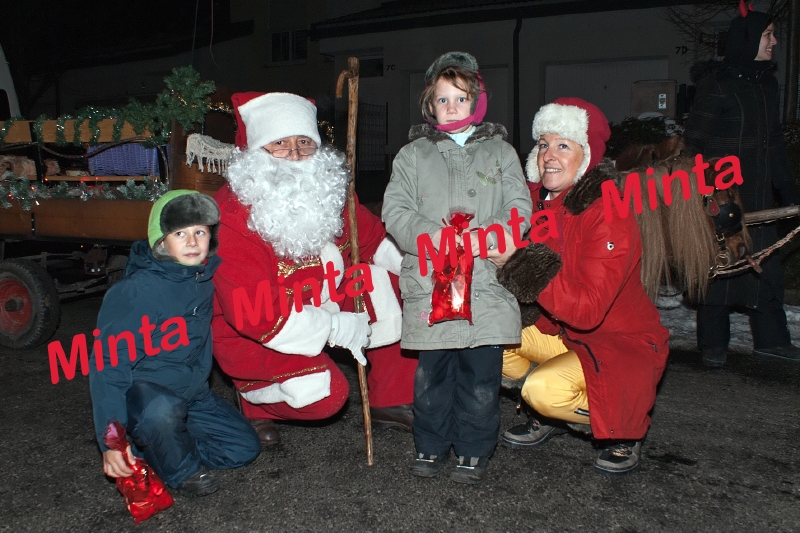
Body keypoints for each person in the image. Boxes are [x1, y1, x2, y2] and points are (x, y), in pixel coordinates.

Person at [212, 92, 417, 447]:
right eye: (279, 144)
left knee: (403, 278)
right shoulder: (230, 218)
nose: (294, 154)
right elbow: (254, 317)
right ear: (255, 152)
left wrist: (424, 270)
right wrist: (336, 328)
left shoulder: (329, 193)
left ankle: (391, 398)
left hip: (323, 298)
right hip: (258, 330)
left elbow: (373, 242)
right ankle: (254, 400)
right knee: (325, 395)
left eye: (304, 143)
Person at [495, 98, 669, 475]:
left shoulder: (609, 212)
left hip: (615, 341)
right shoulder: (532, 204)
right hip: (558, 331)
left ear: (586, 156)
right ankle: (550, 411)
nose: (549, 156)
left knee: (542, 390)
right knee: (485, 336)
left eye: (563, 145)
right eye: (544, 144)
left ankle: (622, 426)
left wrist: (518, 261)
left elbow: (587, 311)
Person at [382, 51, 532, 483]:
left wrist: (486, 237)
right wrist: (436, 237)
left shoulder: (501, 152)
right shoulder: (412, 155)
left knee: (481, 380)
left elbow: (518, 207)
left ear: (476, 103)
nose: (451, 107)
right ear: (430, 105)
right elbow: (396, 211)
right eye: (443, 99)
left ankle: (473, 447)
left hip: (484, 285)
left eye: (461, 98)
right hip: (431, 284)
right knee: (431, 379)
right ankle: (430, 444)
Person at [89, 190, 260, 498]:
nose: (192, 242)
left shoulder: (204, 278)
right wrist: (113, 441)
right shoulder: (136, 292)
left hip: (192, 395)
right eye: (180, 233)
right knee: (161, 410)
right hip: (147, 400)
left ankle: (160, 450)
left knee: (242, 448)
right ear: (161, 241)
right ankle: (179, 471)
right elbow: (108, 367)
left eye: (200, 232)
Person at [684, 3, 800, 367]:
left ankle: (773, 339)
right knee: (720, 268)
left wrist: (788, 191)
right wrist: (705, 193)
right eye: (768, 35)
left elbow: (774, 142)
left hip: (760, 194)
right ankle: (713, 344)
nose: (774, 42)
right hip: (724, 196)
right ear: (748, 40)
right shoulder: (716, 85)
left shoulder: (767, 84)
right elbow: (693, 145)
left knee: (767, 267)